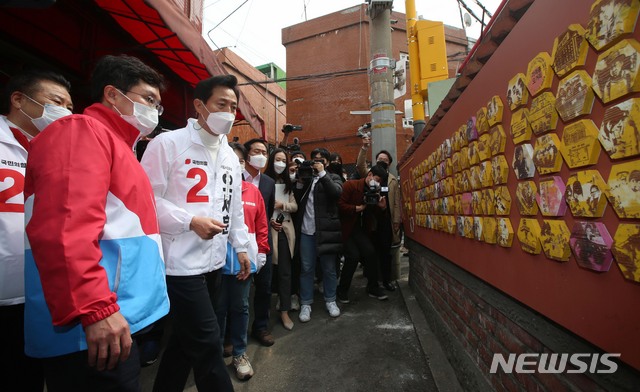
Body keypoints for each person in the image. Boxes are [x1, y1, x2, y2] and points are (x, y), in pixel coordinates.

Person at [23, 54, 170, 392]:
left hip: (116, 318)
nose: (155, 111)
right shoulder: (82, 130)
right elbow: (64, 227)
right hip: (94, 324)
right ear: (112, 94)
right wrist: (95, 308)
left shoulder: (121, 147)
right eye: (148, 99)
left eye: (158, 105)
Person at [141, 74, 250, 392]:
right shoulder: (168, 144)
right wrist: (189, 221)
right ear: (200, 105)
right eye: (221, 104)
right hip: (179, 264)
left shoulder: (231, 157)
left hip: (214, 264)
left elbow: (234, 207)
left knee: (184, 343)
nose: (229, 112)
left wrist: (240, 246)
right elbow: (147, 200)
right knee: (207, 344)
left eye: (233, 106)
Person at [0, 69, 73, 392]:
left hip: (39, 290)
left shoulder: (59, 152)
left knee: (29, 374)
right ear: (19, 99)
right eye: (56, 102)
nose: (65, 112)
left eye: (70, 106)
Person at [215, 142, 269, 381]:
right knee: (216, 312)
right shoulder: (213, 189)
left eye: (238, 160)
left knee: (240, 308)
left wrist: (261, 253)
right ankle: (214, 359)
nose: (235, 165)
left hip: (243, 264)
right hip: (214, 263)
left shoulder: (252, 191)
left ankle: (239, 354)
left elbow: (261, 227)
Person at [294, 147, 343, 322]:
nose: (317, 162)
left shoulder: (333, 177)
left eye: (321, 160)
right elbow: (296, 198)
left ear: (327, 163)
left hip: (326, 232)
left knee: (329, 269)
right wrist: (299, 180)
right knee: (306, 268)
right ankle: (306, 302)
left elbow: (336, 193)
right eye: (314, 159)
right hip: (307, 231)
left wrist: (323, 174)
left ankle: (331, 300)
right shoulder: (307, 178)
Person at [337, 164, 390, 303]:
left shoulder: (375, 192)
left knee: (370, 252)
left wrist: (382, 208)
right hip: (345, 229)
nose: (377, 184)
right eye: (376, 180)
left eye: (380, 182)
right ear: (370, 175)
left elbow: (375, 215)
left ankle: (372, 287)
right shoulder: (350, 185)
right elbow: (339, 205)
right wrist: (356, 208)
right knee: (353, 256)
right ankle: (342, 290)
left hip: (360, 230)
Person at [243, 138, 277, 346]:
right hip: (240, 241)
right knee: (239, 289)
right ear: (247, 155)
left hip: (262, 240)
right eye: (257, 151)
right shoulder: (235, 178)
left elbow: (269, 211)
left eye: (265, 152)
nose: (261, 156)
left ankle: (261, 327)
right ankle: (231, 333)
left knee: (264, 287)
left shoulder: (268, 183)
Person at [357, 137, 402, 291]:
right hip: (371, 220)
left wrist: (396, 220)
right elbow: (360, 165)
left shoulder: (392, 180)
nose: (382, 161)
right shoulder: (369, 175)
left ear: (389, 163)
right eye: (379, 159)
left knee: (385, 253)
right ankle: (372, 282)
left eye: (385, 159)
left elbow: (396, 202)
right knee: (371, 253)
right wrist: (364, 148)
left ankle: (387, 280)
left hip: (386, 220)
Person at [264, 147, 299, 330]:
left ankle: (284, 310)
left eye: (284, 160)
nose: (281, 163)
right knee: (266, 274)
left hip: (284, 231)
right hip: (265, 232)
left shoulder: (288, 183)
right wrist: (269, 221)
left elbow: (295, 206)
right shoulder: (262, 181)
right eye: (277, 159)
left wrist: (282, 205)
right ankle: (263, 312)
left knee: (285, 272)